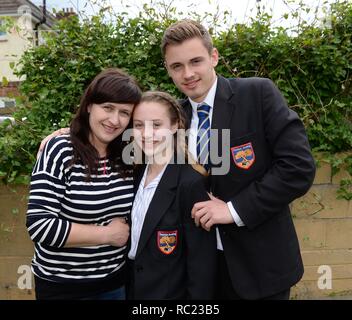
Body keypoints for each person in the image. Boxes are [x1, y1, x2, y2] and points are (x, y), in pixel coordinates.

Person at [161, 19, 316, 300]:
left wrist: (232, 210)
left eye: (196, 61)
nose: (188, 73)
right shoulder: (175, 118)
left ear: (214, 57)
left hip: (261, 266)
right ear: (168, 70)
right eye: (177, 66)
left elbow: (298, 168)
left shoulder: (257, 94)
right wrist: (72, 133)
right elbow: (132, 141)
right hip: (202, 271)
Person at [26, 68, 142, 300]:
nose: (114, 120)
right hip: (63, 287)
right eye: (107, 108)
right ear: (89, 105)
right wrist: (107, 235)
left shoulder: (130, 155)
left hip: (115, 283)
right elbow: (40, 225)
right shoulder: (60, 149)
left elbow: (171, 130)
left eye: (124, 112)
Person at [127, 91, 217, 299]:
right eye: (139, 125)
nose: (146, 133)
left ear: (175, 126)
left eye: (156, 125)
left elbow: (201, 264)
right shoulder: (135, 173)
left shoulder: (189, 182)